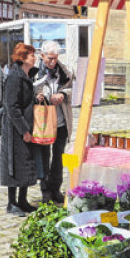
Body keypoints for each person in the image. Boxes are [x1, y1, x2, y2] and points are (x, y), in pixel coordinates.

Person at [0, 43, 41, 216]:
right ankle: (11, 203)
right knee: (13, 165)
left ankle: (23, 200)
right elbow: (11, 106)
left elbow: (24, 101)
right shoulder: (15, 76)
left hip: (26, 125)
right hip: (15, 129)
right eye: (32, 55)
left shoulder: (25, 74)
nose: (35, 57)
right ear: (23, 57)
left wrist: (36, 99)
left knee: (25, 163)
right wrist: (24, 130)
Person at [31, 42, 74, 204]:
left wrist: (63, 94)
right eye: (50, 58)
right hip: (43, 121)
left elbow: (74, 89)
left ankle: (56, 188)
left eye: (55, 58)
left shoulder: (65, 70)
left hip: (61, 120)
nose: (53, 62)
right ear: (42, 56)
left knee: (58, 156)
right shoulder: (35, 72)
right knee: (44, 156)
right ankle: (45, 190)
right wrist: (45, 96)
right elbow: (32, 91)